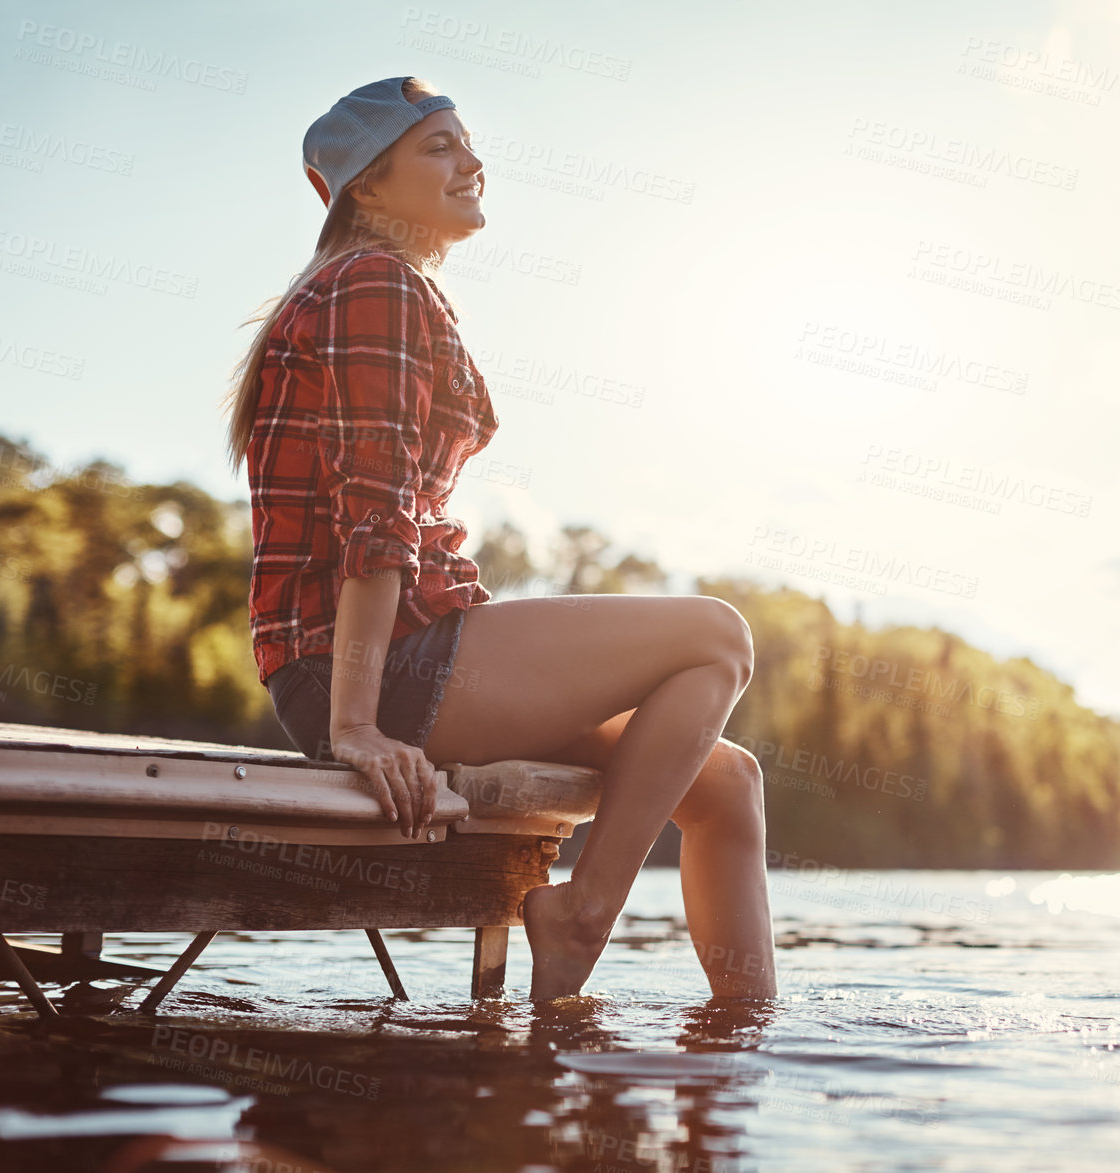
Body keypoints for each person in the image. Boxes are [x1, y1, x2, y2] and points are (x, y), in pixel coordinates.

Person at [219, 76, 775, 1001]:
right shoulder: (373, 283)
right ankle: (585, 914)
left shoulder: (388, 289)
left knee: (726, 783)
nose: (472, 162)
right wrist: (354, 725)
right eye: (439, 147)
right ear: (366, 185)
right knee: (717, 633)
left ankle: (744, 1045)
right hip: (368, 668)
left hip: (410, 653)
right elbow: (376, 515)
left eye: (467, 143)